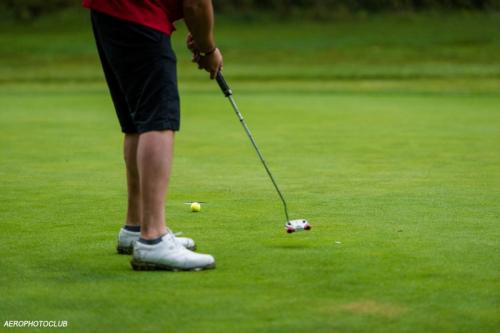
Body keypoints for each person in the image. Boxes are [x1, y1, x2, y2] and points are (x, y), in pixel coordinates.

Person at [83, 0, 223, 271]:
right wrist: (208, 48)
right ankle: (153, 239)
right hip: (140, 15)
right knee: (158, 119)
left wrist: (201, 33)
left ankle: (136, 228)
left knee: (137, 120)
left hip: (110, 11)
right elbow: (196, 3)